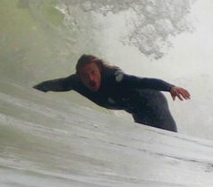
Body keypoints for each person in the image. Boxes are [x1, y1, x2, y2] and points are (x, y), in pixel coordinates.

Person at [33, 54, 192, 132]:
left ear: (100, 70)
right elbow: (54, 84)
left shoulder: (115, 78)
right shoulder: (76, 82)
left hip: (153, 102)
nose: (91, 78)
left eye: (93, 72)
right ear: (79, 76)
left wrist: (170, 87)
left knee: (167, 139)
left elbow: (143, 81)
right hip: (136, 110)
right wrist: (35, 90)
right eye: (85, 75)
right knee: (148, 143)